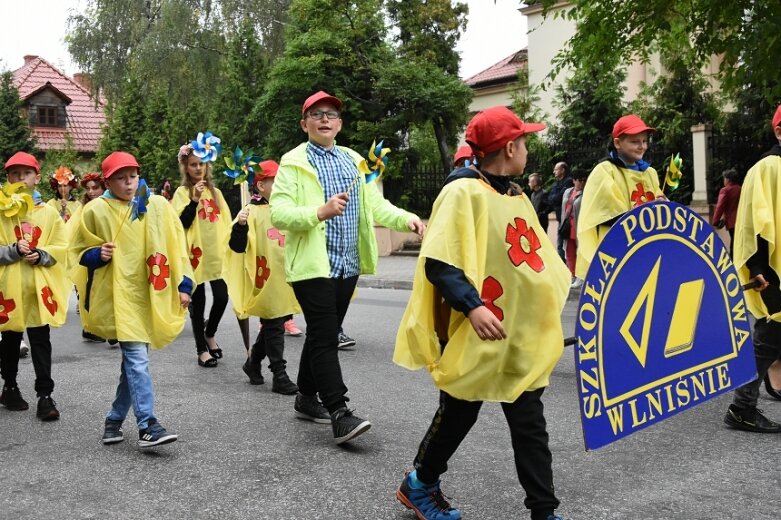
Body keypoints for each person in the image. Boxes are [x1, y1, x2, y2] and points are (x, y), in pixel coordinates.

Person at [394, 106, 570, 520]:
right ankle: (419, 484)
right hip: (481, 329)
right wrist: (473, 308)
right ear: (509, 148)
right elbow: (440, 261)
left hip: (518, 333)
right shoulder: (462, 192)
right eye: (524, 142)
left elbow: (536, 259)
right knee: (458, 413)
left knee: (530, 424)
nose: (528, 149)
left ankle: (544, 512)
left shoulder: (515, 193)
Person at [270, 90, 425, 444]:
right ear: (304, 123)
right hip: (312, 265)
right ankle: (339, 410)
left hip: (347, 261)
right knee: (326, 334)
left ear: (339, 124)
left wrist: (407, 220)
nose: (325, 119)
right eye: (317, 113)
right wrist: (318, 212)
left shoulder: (355, 161)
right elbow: (279, 213)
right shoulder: (293, 162)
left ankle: (306, 398)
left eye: (332, 114)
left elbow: (377, 206)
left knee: (324, 332)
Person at [69, 151, 192, 447]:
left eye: (133, 176)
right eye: (121, 178)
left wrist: (184, 283)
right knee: (137, 358)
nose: (128, 183)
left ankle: (113, 420)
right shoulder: (95, 210)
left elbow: (177, 244)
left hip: (151, 292)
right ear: (107, 180)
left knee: (133, 362)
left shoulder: (156, 205)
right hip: (119, 297)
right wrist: (97, 254)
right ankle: (148, 425)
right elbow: (76, 252)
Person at [723, 105, 781, 433]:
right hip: (772, 269)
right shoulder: (767, 168)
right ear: (778, 131)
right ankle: (742, 406)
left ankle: (747, 403)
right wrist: (758, 266)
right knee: (769, 333)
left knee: (773, 335)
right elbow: (754, 223)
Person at [0, 151, 68, 420]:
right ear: (7, 178)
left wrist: (41, 255)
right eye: (14, 173)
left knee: (40, 341)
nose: (20, 178)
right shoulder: (2, 212)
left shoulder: (48, 213)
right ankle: (10, 386)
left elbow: (61, 247)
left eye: (25, 173)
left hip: (39, 289)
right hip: (9, 290)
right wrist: (12, 251)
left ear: (36, 177)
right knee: (10, 340)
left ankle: (45, 395)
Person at [225, 160, 299, 395]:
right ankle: (279, 373)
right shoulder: (251, 212)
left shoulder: (286, 208)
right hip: (265, 278)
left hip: (285, 276)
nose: (281, 185)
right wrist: (241, 226)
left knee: (272, 324)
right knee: (275, 323)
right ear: (261, 185)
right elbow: (236, 247)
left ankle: (253, 362)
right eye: (275, 181)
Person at [575, 114, 664, 279]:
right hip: (616, 253)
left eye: (644, 141)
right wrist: (650, 210)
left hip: (646, 251)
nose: (642, 146)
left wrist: (663, 206)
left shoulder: (650, 173)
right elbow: (614, 216)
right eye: (634, 142)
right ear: (617, 143)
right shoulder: (605, 171)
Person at [173, 141, 232, 368]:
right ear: (186, 168)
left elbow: (226, 222)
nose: (198, 168)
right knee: (198, 302)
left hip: (215, 254)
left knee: (222, 297)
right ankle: (201, 349)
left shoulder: (215, 193)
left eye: (202, 164)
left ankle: (210, 333)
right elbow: (179, 224)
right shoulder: (182, 193)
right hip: (194, 255)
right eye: (193, 164)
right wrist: (194, 200)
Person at [71, 171, 108, 343]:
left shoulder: (110, 204)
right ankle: (91, 326)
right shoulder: (84, 208)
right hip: (92, 254)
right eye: (88, 188)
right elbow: (77, 233)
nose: (92, 192)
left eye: (96, 188)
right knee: (91, 289)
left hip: (111, 252)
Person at [559, 171, 587, 287]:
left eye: (583, 180)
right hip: (567, 225)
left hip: (579, 226)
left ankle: (581, 277)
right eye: (579, 180)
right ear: (574, 180)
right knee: (569, 251)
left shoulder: (587, 193)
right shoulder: (567, 191)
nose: (581, 182)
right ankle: (572, 275)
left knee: (580, 251)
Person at [711, 168, 742, 257]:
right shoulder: (741, 189)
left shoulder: (725, 190)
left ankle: (733, 261)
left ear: (728, 179)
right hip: (741, 220)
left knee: (733, 242)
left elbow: (720, 206)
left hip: (732, 222)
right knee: (738, 241)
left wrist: (715, 221)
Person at [546, 162, 573, 261]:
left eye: (556, 169)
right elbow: (551, 199)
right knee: (560, 244)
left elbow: (560, 198)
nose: (554, 172)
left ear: (563, 170)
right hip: (559, 218)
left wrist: (556, 198)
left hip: (567, 219)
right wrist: (556, 197)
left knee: (564, 244)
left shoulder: (569, 182)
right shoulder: (556, 183)